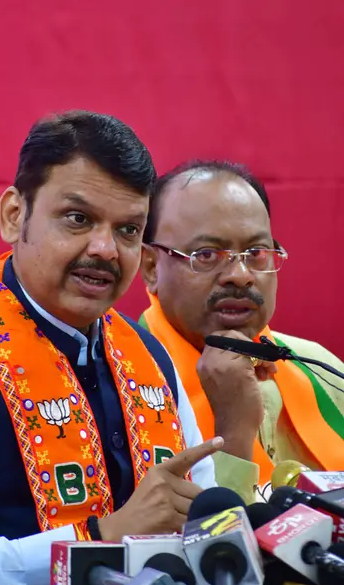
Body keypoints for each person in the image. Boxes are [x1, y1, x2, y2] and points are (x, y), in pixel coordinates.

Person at [0, 112, 220, 585]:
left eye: (127, 230)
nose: (104, 249)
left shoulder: (149, 357)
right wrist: (97, 541)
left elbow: (198, 522)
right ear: (14, 215)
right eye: (78, 219)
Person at [139, 159, 344, 504]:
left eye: (256, 253)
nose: (240, 275)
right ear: (150, 267)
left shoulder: (319, 366)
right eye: (206, 255)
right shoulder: (126, 382)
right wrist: (233, 434)